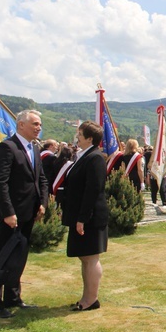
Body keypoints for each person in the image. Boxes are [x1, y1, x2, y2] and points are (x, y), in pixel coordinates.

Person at [0, 109, 48, 318]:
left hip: (29, 213)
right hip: (10, 215)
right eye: (35, 124)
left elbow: (41, 180)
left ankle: (13, 297)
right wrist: (8, 212)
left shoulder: (34, 149)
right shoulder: (8, 147)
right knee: (2, 258)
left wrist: (43, 203)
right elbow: (0, 182)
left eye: (39, 124)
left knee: (18, 257)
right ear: (21, 125)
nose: (39, 128)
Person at [62, 121, 109, 311]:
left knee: (91, 257)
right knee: (84, 256)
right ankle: (86, 296)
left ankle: (91, 299)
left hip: (90, 217)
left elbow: (93, 190)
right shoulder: (83, 156)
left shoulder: (95, 158)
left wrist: (83, 218)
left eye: (80, 134)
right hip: (80, 214)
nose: (77, 137)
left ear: (90, 138)